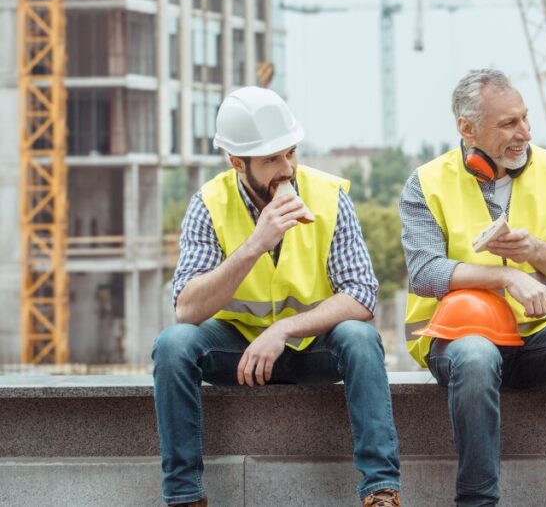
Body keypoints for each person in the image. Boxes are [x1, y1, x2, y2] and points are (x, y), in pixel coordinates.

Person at [152, 86, 401, 507]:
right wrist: (255, 244)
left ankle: (381, 491)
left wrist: (283, 330)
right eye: (271, 159)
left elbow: (361, 295)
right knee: (172, 345)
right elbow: (187, 309)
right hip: (238, 352)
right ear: (237, 162)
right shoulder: (208, 204)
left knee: (361, 338)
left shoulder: (329, 196)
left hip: (312, 347)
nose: (287, 169)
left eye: (291, 153)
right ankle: (185, 496)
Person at [399, 69, 546, 507]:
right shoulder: (426, 183)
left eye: (525, 118)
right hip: (456, 341)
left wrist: (535, 251)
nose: (524, 132)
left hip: (534, 338)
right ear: (467, 129)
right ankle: (477, 501)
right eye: (508, 123)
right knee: (477, 356)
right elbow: (425, 272)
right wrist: (507, 276)